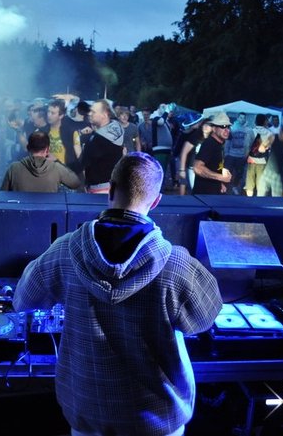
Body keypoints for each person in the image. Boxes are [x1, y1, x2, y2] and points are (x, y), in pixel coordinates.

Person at [13, 151, 223, 436]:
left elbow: (22, 300)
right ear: (156, 201)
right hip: (157, 421)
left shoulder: (64, 251)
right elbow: (205, 319)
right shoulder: (176, 265)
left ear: (110, 190)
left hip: (88, 415)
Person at [0, 131, 81, 192]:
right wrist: (57, 161)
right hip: (48, 210)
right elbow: (75, 183)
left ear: (28, 148)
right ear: (47, 149)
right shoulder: (56, 168)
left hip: (21, 210)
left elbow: (3, 194)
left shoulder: (14, 168)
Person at [79, 99, 124, 194]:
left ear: (105, 114)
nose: (89, 114)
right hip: (116, 186)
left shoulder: (96, 140)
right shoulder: (118, 130)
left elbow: (84, 165)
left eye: (93, 112)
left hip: (99, 190)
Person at [192, 112, 233, 195]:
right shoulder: (210, 144)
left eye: (228, 127)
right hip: (204, 195)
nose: (227, 130)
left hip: (212, 192)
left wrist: (220, 184)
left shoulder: (219, 144)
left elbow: (212, 166)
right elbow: (197, 168)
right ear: (214, 129)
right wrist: (221, 177)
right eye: (223, 126)